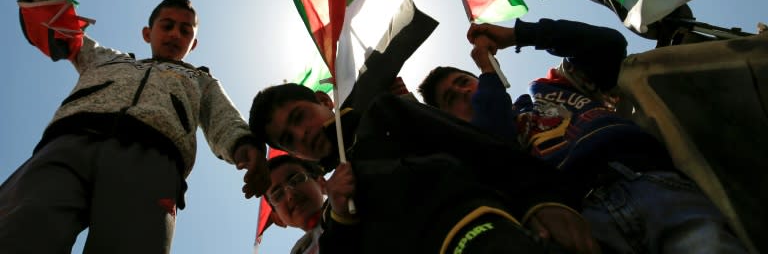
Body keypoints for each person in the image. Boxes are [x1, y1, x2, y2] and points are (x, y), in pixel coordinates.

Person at [0, 0, 271, 254]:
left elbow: (224, 120)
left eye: (185, 31)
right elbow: (56, 28)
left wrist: (247, 149)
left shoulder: (199, 80)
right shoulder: (104, 58)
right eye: (167, 25)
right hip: (68, 144)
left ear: (193, 43)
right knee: (21, 228)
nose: (175, 34)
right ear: (148, 33)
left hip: (152, 159)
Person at [419, 17, 747, 254]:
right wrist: (488, 77)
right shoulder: (476, 149)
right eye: (451, 98)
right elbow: (494, 134)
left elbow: (606, 45)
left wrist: (518, 34)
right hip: (578, 223)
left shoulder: (550, 89)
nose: (462, 92)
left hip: (650, 185)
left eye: (464, 81)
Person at [250, 82, 601, 254]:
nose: (302, 135)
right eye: (289, 139)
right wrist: (342, 215)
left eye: (300, 118)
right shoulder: (334, 213)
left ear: (324, 101)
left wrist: (541, 200)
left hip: (476, 236)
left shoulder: (383, 115)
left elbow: (481, 150)